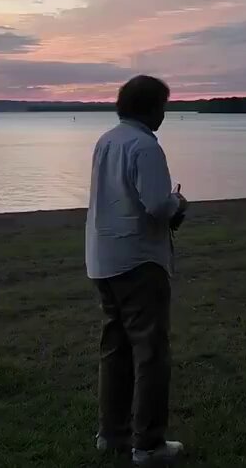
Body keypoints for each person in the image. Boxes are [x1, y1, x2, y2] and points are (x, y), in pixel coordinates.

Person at [86, 75, 188, 465]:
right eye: (163, 106)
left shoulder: (106, 141)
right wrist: (179, 204)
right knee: (150, 352)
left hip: (103, 258)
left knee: (115, 348)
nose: (164, 114)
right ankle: (148, 444)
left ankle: (111, 434)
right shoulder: (145, 146)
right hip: (139, 261)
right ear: (150, 108)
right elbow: (158, 206)